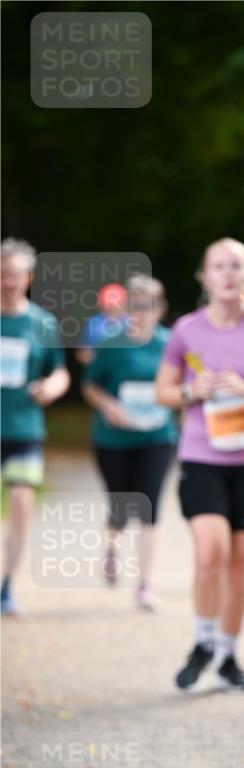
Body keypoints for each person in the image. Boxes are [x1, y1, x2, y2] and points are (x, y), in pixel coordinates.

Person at [156, 238, 244, 693]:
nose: (227, 274)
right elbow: (163, 391)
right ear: (205, 277)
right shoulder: (187, 330)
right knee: (210, 553)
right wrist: (192, 392)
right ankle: (203, 641)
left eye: (236, 266)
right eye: (218, 266)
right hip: (203, 458)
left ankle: (227, 655)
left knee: (240, 566)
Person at [81, 274, 177, 611]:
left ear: (159, 309)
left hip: (157, 437)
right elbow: (90, 385)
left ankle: (145, 585)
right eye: (134, 305)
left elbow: (189, 379)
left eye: (147, 306)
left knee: (149, 505)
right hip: (113, 440)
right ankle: (111, 548)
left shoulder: (171, 344)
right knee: (121, 503)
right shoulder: (111, 344)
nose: (140, 312)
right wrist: (109, 405)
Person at [1, 238, 70, 616]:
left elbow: (59, 371)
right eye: (2, 274)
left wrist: (50, 388)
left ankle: (6, 586)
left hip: (24, 428)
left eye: (14, 275)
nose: (8, 282)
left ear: (28, 278)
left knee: (21, 507)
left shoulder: (42, 323)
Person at [75, 283, 128, 366]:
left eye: (115, 306)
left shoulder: (131, 323)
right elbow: (82, 353)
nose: (111, 310)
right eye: (107, 306)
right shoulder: (93, 323)